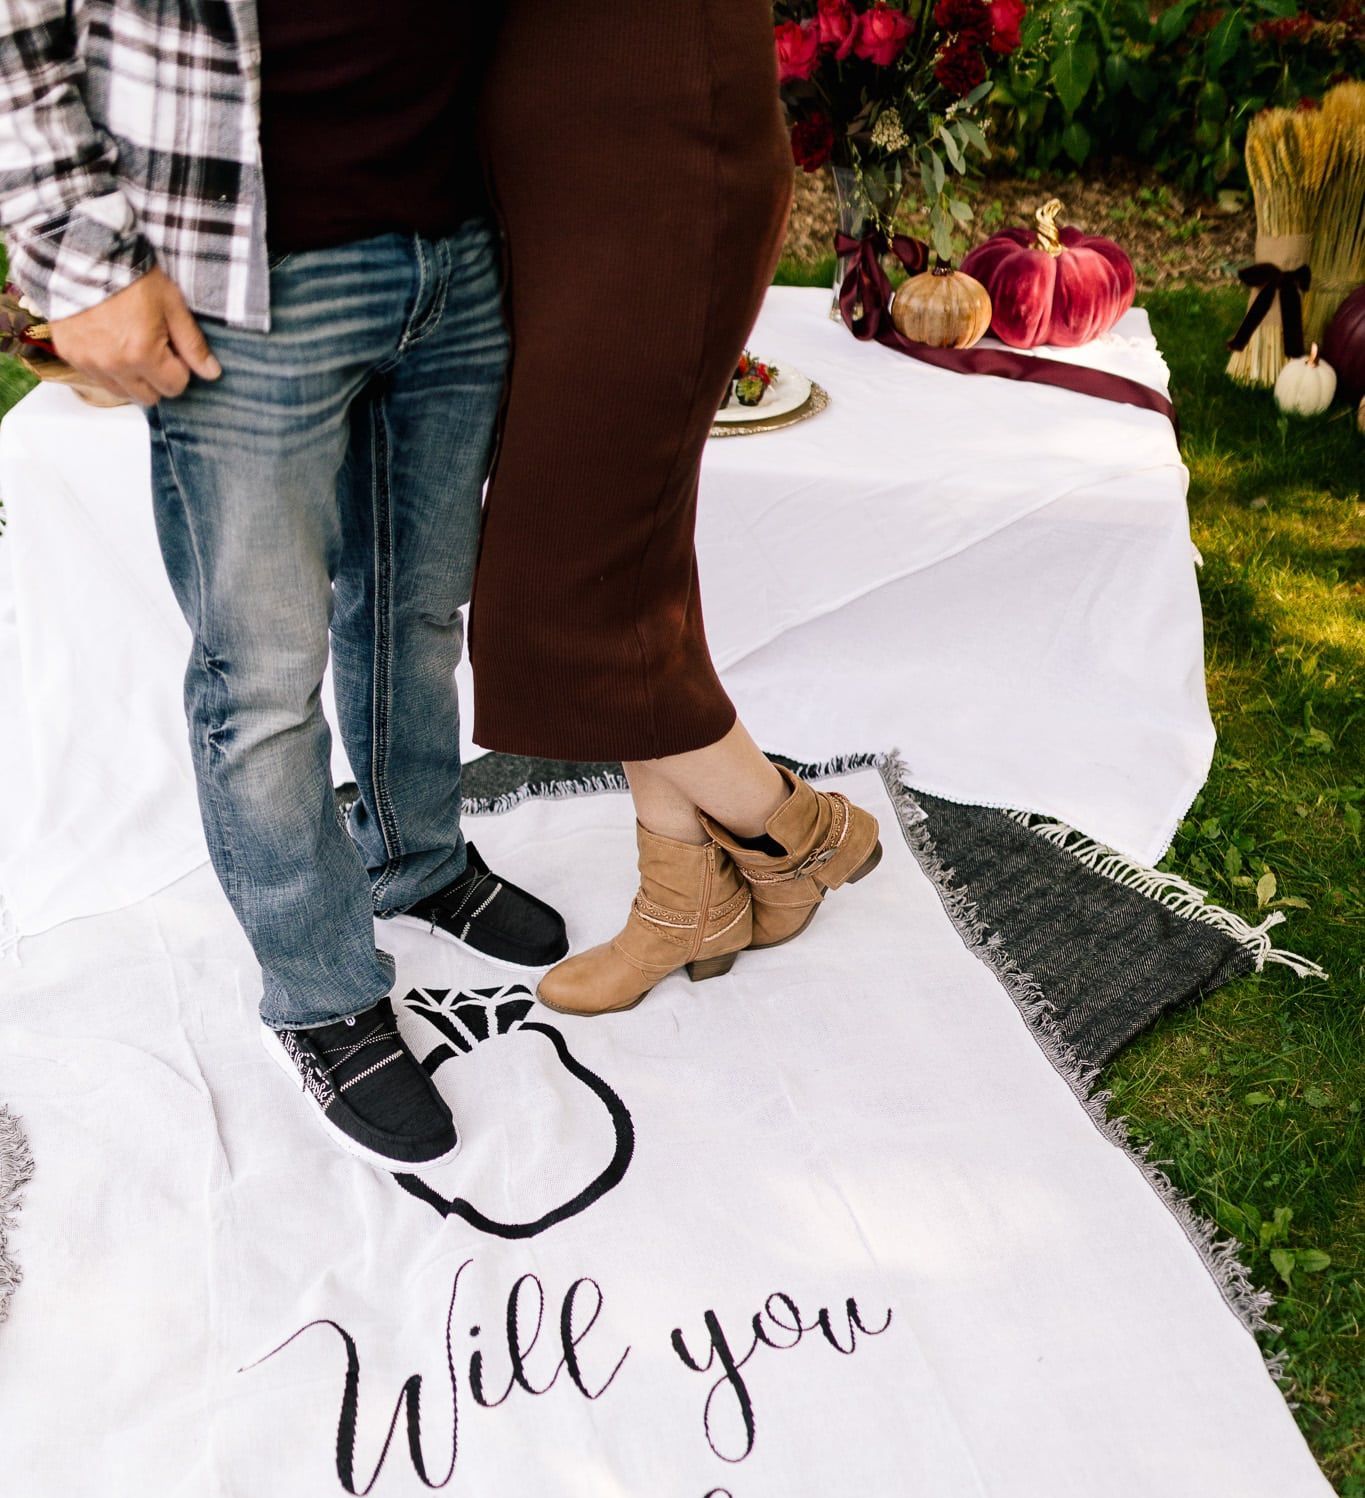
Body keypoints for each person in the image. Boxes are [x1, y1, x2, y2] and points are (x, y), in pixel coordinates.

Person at [0, 2, 567, 1170]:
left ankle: (414, 854)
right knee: (261, 671)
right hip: (244, 270)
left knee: (418, 605)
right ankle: (319, 988)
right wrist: (74, 249)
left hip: (462, 241)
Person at [472, 0, 882, 1019]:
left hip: (658, 168)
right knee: (632, 574)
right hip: (551, 176)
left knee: (560, 598)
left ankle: (800, 825)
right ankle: (686, 899)